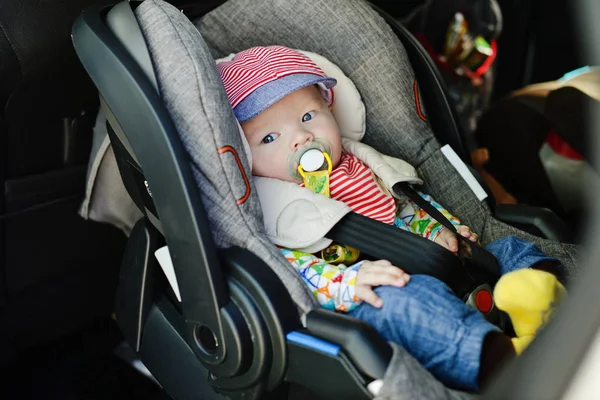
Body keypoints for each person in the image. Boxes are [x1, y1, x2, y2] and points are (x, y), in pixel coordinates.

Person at [217, 45, 566, 391]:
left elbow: (410, 207)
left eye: (308, 116)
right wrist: (346, 284)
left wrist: (441, 232)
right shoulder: (274, 210)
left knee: (509, 248)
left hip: (435, 264)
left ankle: (543, 300)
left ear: (330, 108)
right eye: (269, 137)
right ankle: (503, 361)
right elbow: (291, 269)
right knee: (408, 306)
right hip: (367, 297)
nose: (302, 138)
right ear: (245, 159)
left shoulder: (364, 166)